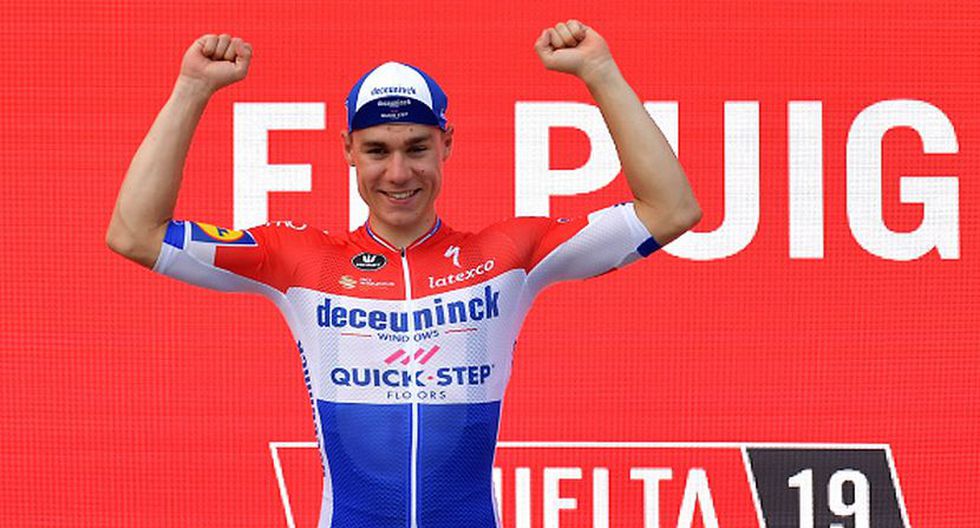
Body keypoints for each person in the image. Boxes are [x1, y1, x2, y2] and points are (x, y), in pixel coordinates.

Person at [106, 20, 701, 528]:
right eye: (376, 151)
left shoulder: (508, 254)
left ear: (447, 144)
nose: (397, 173)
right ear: (347, 149)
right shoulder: (298, 259)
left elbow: (670, 211)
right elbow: (136, 234)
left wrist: (599, 72)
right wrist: (192, 89)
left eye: (417, 148)